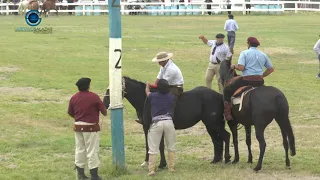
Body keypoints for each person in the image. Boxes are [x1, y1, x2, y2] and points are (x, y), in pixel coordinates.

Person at [223, 37, 275, 121]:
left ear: (249, 44)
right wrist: (262, 76)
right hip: (259, 82)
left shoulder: (244, 53)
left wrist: (234, 66)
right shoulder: (263, 54)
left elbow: (241, 68)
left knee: (227, 90)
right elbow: (271, 69)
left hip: (246, 80)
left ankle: (227, 113)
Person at [68, 78, 107, 180]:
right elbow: (104, 111)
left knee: (80, 149)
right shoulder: (94, 97)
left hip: (78, 126)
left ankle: (80, 173)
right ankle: (94, 175)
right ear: (88, 85)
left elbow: (70, 112)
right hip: (91, 127)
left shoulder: (74, 97)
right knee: (92, 150)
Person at [135, 52, 184, 124]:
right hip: (167, 85)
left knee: (166, 99)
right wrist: (153, 86)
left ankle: (170, 118)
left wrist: (150, 86)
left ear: (164, 61)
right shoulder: (163, 66)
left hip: (176, 87)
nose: (158, 63)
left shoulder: (171, 69)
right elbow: (159, 78)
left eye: (159, 61)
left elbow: (163, 84)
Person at [145, 79, 176, 176]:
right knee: (171, 146)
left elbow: (147, 92)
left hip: (157, 123)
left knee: (153, 148)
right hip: (169, 122)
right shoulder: (172, 97)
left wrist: (147, 85)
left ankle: (151, 170)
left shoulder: (153, 96)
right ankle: (171, 168)